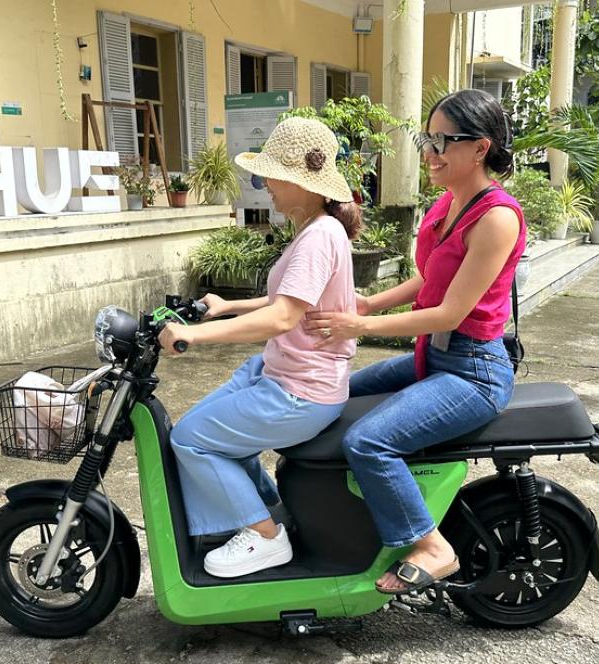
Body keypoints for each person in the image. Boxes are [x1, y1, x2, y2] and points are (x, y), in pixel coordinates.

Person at [304, 89, 526, 594]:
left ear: (480, 148)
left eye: (444, 140)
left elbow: (449, 311)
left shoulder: (497, 217)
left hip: (474, 372)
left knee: (370, 440)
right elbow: (429, 279)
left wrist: (357, 328)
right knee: (338, 394)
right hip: (437, 356)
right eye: (429, 138)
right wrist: (367, 304)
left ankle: (430, 544)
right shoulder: (446, 204)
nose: (430, 151)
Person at [158, 117, 360, 578]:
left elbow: (283, 318)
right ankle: (274, 514)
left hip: (300, 390)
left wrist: (195, 336)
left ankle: (266, 538)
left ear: (302, 183)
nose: (264, 182)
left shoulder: (318, 237)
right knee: (207, 430)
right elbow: (288, 300)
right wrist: (227, 306)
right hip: (287, 375)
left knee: (192, 440)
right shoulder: (316, 229)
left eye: (271, 174)